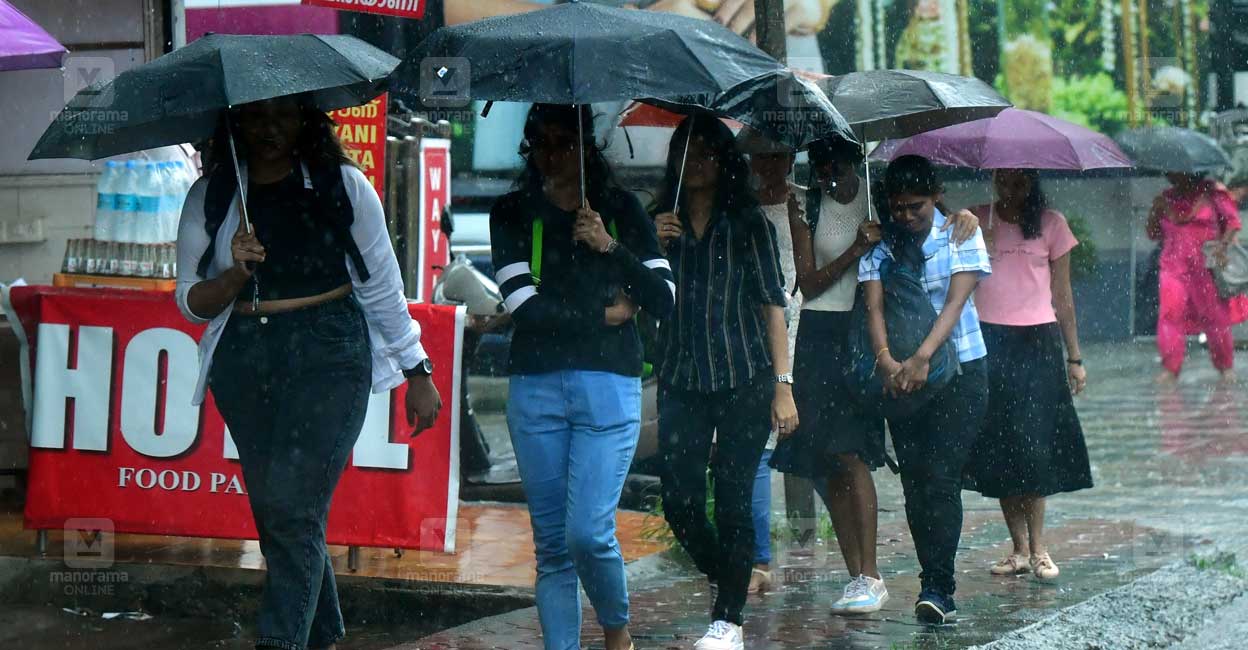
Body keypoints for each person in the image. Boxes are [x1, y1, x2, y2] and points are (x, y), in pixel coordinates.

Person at [176, 95, 442, 650]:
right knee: (275, 509)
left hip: (329, 353)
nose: (269, 128)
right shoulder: (214, 195)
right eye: (256, 117)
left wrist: (416, 369)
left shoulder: (341, 185)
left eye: (282, 116)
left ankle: (281, 642)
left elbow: (382, 286)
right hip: (244, 360)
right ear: (236, 124)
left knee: (294, 508)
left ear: (305, 121)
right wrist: (233, 272)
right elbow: (190, 302)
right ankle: (322, 634)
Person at [490, 104, 675, 650]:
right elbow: (525, 307)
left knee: (588, 534)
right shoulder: (513, 213)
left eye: (561, 143)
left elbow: (663, 299)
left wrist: (610, 247)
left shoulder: (621, 210)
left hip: (608, 388)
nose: (549, 154)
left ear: (584, 146)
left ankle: (617, 631)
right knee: (551, 547)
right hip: (535, 386)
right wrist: (604, 316)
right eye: (539, 144)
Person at [771, 139, 979, 615]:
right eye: (820, 165)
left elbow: (932, 219)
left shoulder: (879, 195)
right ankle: (857, 576)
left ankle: (872, 572)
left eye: (836, 163)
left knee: (850, 451)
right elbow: (809, 280)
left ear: (852, 158)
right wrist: (856, 248)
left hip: (864, 329)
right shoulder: (803, 201)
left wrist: (966, 216)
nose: (828, 173)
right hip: (820, 332)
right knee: (820, 452)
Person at [653, 114, 798, 650]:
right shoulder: (657, 221)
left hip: (744, 378)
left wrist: (783, 386)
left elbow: (771, 307)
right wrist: (650, 250)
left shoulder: (747, 223)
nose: (696, 164)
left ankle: (728, 620)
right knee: (680, 502)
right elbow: (639, 301)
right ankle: (729, 576)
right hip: (680, 377)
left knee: (735, 499)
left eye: (707, 153)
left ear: (724, 162)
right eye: (686, 153)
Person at [859, 155, 991, 625]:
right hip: (900, 380)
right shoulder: (881, 246)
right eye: (898, 207)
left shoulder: (960, 232)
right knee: (915, 483)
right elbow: (874, 309)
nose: (907, 216)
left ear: (935, 195)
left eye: (915, 206)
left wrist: (922, 358)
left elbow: (956, 302)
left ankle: (940, 585)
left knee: (940, 475)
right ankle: (929, 577)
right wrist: (888, 362)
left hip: (961, 374)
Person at [962, 169, 1094, 582]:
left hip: (1037, 341)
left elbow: (1063, 295)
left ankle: (1040, 548)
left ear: (1032, 182)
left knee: (1034, 444)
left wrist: (1074, 356)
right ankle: (1018, 548)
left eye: (1020, 181)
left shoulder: (1052, 224)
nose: (1010, 189)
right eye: (1004, 180)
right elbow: (956, 283)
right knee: (999, 442)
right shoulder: (974, 220)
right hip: (988, 340)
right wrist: (975, 247)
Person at [736, 127, 799, 595]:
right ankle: (759, 556)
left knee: (825, 452)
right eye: (762, 155)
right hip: (752, 337)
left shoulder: (808, 204)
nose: (770, 164)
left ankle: (860, 561)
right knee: (756, 451)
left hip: (805, 331)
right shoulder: (737, 208)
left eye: (779, 154)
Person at [1147, 172, 1247, 384]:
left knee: (1215, 318)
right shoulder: (1164, 199)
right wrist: (1154, 212)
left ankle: (1225, 366)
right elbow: (1153, 233)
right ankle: (1171, 368)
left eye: (1176, 174)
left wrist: (1222, 246)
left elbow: (1233, 222)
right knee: (1169, 315)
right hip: (1172, 266)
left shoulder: (1213, 195)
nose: (1171, 178)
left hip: (1205, 267)